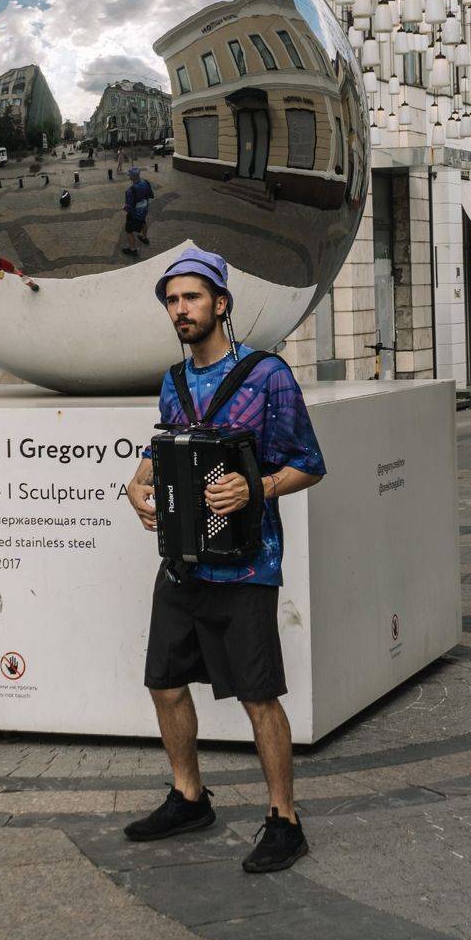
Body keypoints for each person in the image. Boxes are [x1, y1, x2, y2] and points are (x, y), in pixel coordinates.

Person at [122, 251, 325, 873]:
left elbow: (309, 463)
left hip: (247, 566)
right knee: (163, 682)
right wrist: (136, 482)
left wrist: (256, 487)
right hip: (184, 562)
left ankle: (285, 820)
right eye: (172, 300)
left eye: (191, 298)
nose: (180, 310)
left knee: (258, 696)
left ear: (221, 303)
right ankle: (189, 797)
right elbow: (164, 442)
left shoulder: (268, 376)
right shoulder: (174, 381)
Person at [120, 166, 155, 258]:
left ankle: (132, 249)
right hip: (144, 210)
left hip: (135, 214)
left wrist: (124, 207)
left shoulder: (130, 190)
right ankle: (144, 238)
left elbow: (129, 207)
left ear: (131, 177)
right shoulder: (146, 183)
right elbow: (151, 195)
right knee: (143, 222)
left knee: (128, 230)